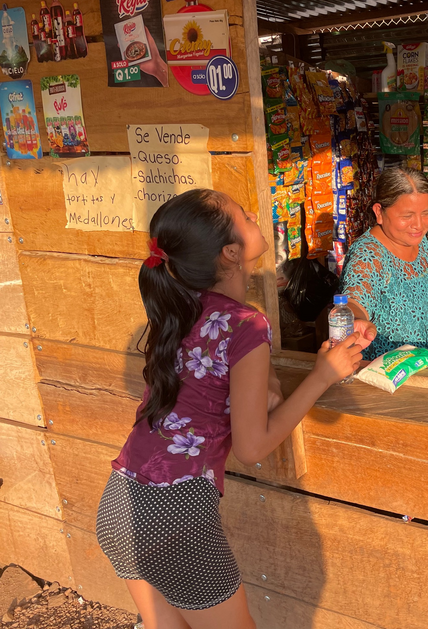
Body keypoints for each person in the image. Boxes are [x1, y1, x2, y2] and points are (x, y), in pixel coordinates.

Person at [96, 189, 362, 629]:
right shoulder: (246, 324)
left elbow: (222, 381)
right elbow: (252, 447)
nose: (255, 213)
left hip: (120, 503)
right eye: (244, 215)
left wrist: (271, 382)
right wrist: (323, 374)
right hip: (175, 519)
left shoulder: (179, 306)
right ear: (232, 253)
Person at [340, 167, 428, 359]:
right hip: (397, 373)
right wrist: (357, 320)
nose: (419, 224)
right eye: (407, 216)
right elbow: (355, 300)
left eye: (426, 213)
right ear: (379, 212)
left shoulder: (418, 239)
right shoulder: (369, 254)